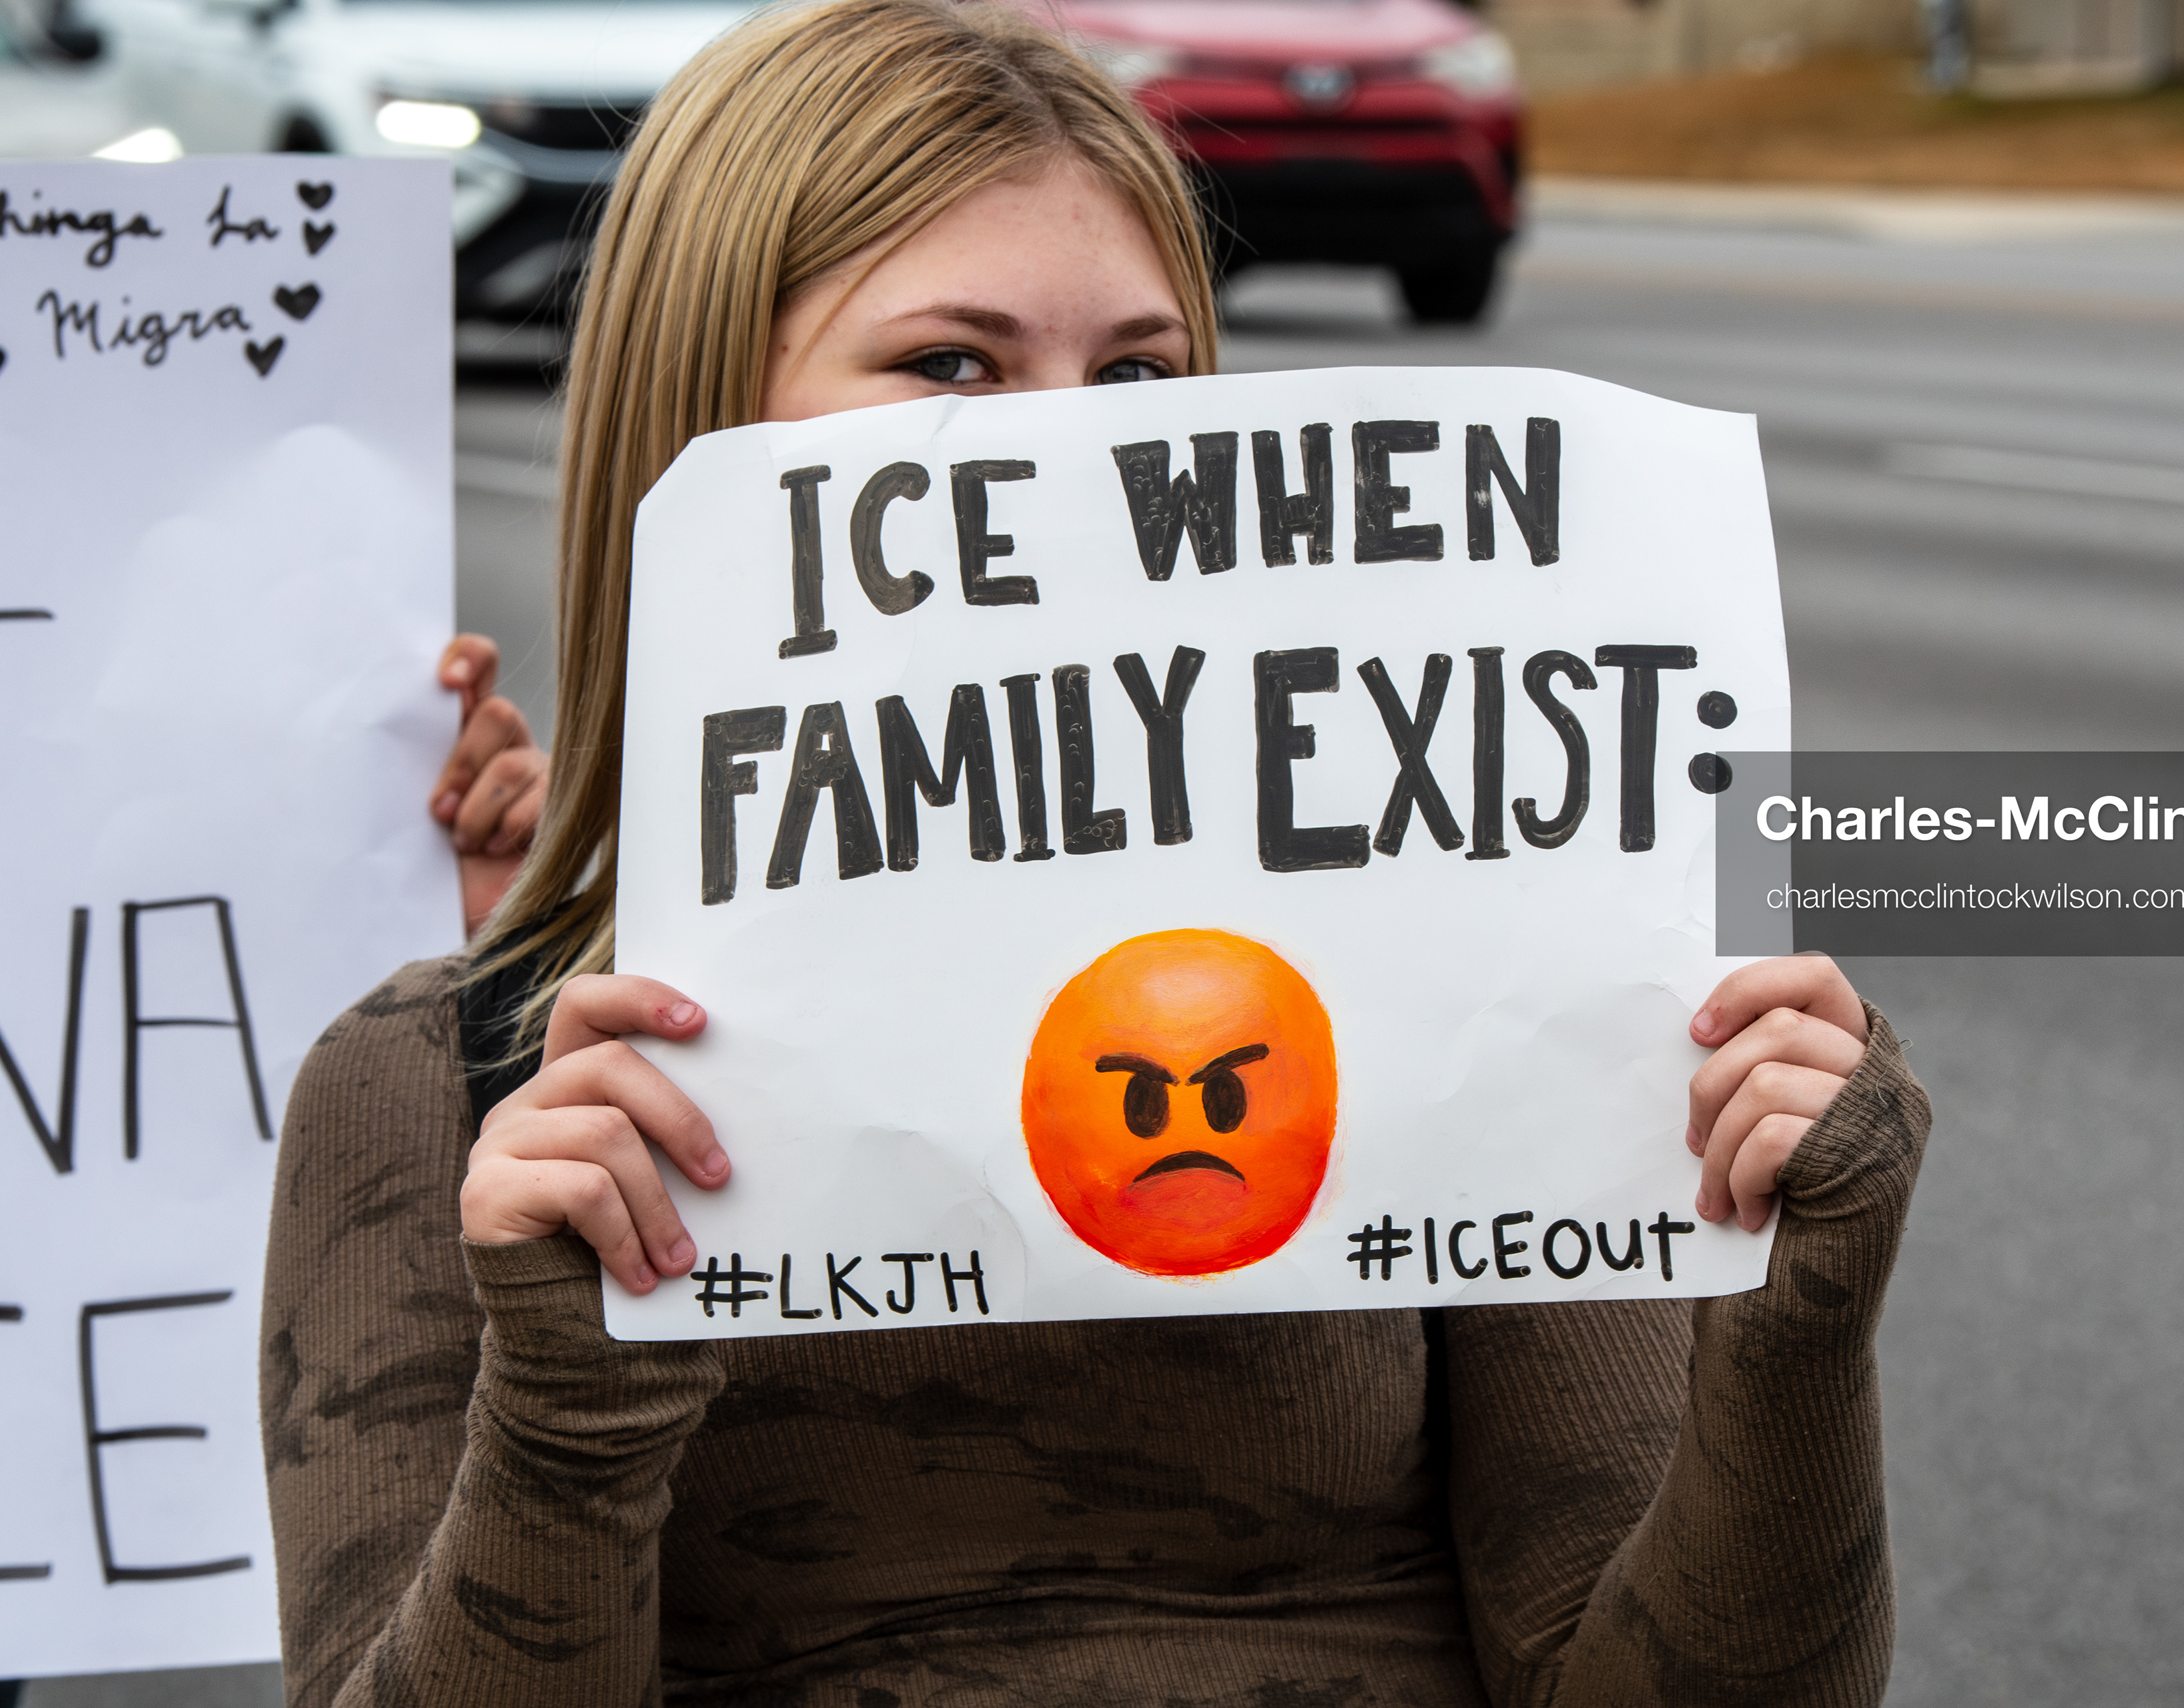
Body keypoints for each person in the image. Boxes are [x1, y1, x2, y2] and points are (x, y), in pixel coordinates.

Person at [261, 3, 1933, 1701]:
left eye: (1137, 375)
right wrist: (565, 1412)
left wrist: (1795, 1332)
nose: (1082, 447)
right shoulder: (447, 1083)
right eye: (953, 367)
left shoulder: (1452, 979)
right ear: (709, 416)